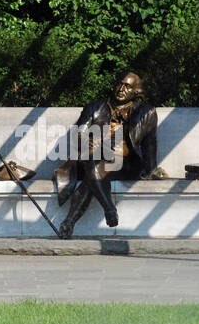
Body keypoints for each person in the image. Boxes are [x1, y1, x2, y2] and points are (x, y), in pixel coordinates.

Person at [53, 71, 165, 238]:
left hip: (125, 164)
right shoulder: (95, 106)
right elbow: (79, 132)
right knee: (94, 164)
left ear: (136, 92)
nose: (121, 89)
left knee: (94, 173)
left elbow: (150, 144)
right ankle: (109, 210)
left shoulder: (146, 112)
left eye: (127, 87)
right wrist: (87, 141)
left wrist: (151, 169)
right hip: (94, 159)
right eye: (119, 84)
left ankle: (70, 222)